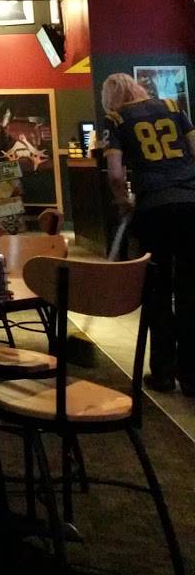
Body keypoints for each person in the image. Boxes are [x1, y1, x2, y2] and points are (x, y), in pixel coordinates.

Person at [102, 72, 195, 394]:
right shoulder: (173, 107)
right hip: (190, 206)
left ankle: (163, 373)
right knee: (190, 292)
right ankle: (192, 377)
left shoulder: (116, 120)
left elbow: (116, 175)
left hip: (153, 210)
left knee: (157, 292)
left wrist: (123, 201)